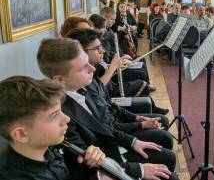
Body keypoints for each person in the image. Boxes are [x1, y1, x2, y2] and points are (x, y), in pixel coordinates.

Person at [37, 38, 178, 180]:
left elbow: (106, 127)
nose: (92, 68)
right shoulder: (62, 115)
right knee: (169, 171)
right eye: (83, 67)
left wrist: (134, 142)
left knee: (168, 157)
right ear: (60, 80)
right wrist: (138, 169)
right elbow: (88, 164)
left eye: (88, 63)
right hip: (106, 167)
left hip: (113, 150)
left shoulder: (83, 89)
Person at [0, 76, 105, 180]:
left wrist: (87, 167)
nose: (67, 118)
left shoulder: (48, 147)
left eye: (61, 110)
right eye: (54, 115)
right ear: (21, 134)